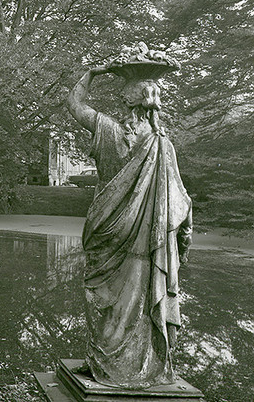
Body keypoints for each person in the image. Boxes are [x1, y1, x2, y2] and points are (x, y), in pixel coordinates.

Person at [67, 48, 193, 389]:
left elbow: (75, 105)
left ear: (126, 102)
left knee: (105, 299)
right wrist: (182, 232)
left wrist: (91, 74)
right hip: (146, 242)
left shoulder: (107, 129)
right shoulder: (162, 144)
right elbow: (179, 202)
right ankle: (142, 368)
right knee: (142, 293)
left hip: (106, 234)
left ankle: (105, 362)